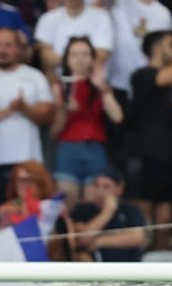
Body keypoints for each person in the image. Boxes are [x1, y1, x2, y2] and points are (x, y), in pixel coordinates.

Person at [0, 27, 54, 206]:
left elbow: (47, 114)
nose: (2, 50)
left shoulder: (34, 76)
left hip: (26, 160)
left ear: (19, 48)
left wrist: (25, 108)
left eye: (8, 45)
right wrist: (10, 111)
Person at [127, 30, 172, 252]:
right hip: (145, 153)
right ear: (156, 47)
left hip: (169, 153)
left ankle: (162, 262)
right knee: (145, 216)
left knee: (166, 212)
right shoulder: (141, 75)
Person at [50, 37, 123, 208]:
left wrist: (102, 88)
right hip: (68, 148)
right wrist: (63, 110)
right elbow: (54, 131)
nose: (80, 59)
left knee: (93, 205)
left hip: (95, 148)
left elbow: (117, 116)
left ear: (92, 59)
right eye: (74, 54)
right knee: (67, 205)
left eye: (85, 54)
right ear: (66, 59)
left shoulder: (99, 85)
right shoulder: (59, 86)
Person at [32, 0, 113, 76]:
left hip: (91, 81)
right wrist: (82, 59)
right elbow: (45, 59)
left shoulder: (101, 16)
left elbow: (101, 56)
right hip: (58, 82)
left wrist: (61, 60)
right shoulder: (47, 19)